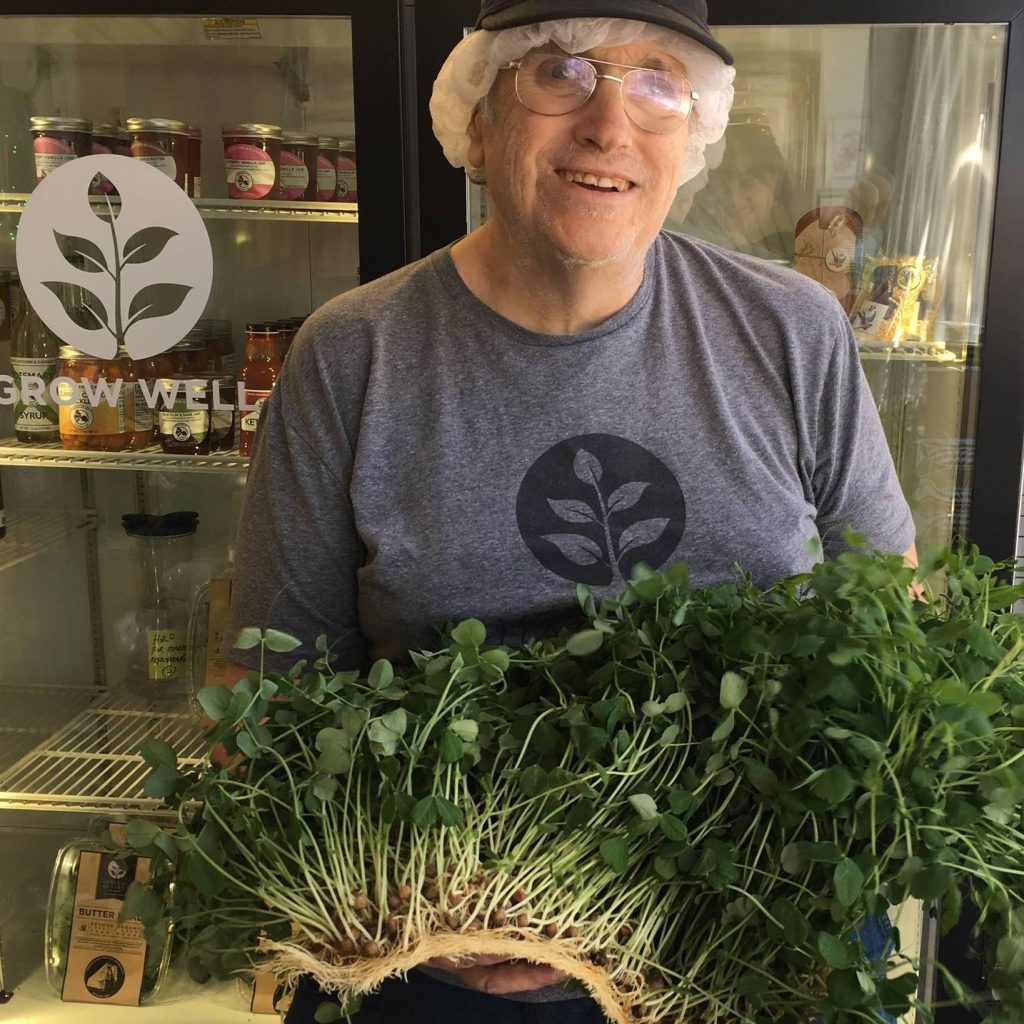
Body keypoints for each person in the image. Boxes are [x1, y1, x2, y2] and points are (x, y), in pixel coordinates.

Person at [226, 1, 917, 1020]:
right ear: (477, 122)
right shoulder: (355, 354)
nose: (609, 126)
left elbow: (889, 616)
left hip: (754, 932)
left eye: (656, 84)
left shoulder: (791, 330)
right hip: (439, 948)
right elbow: (276, 694)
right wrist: (423, 904)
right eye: (561, 73)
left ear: (693, 135)